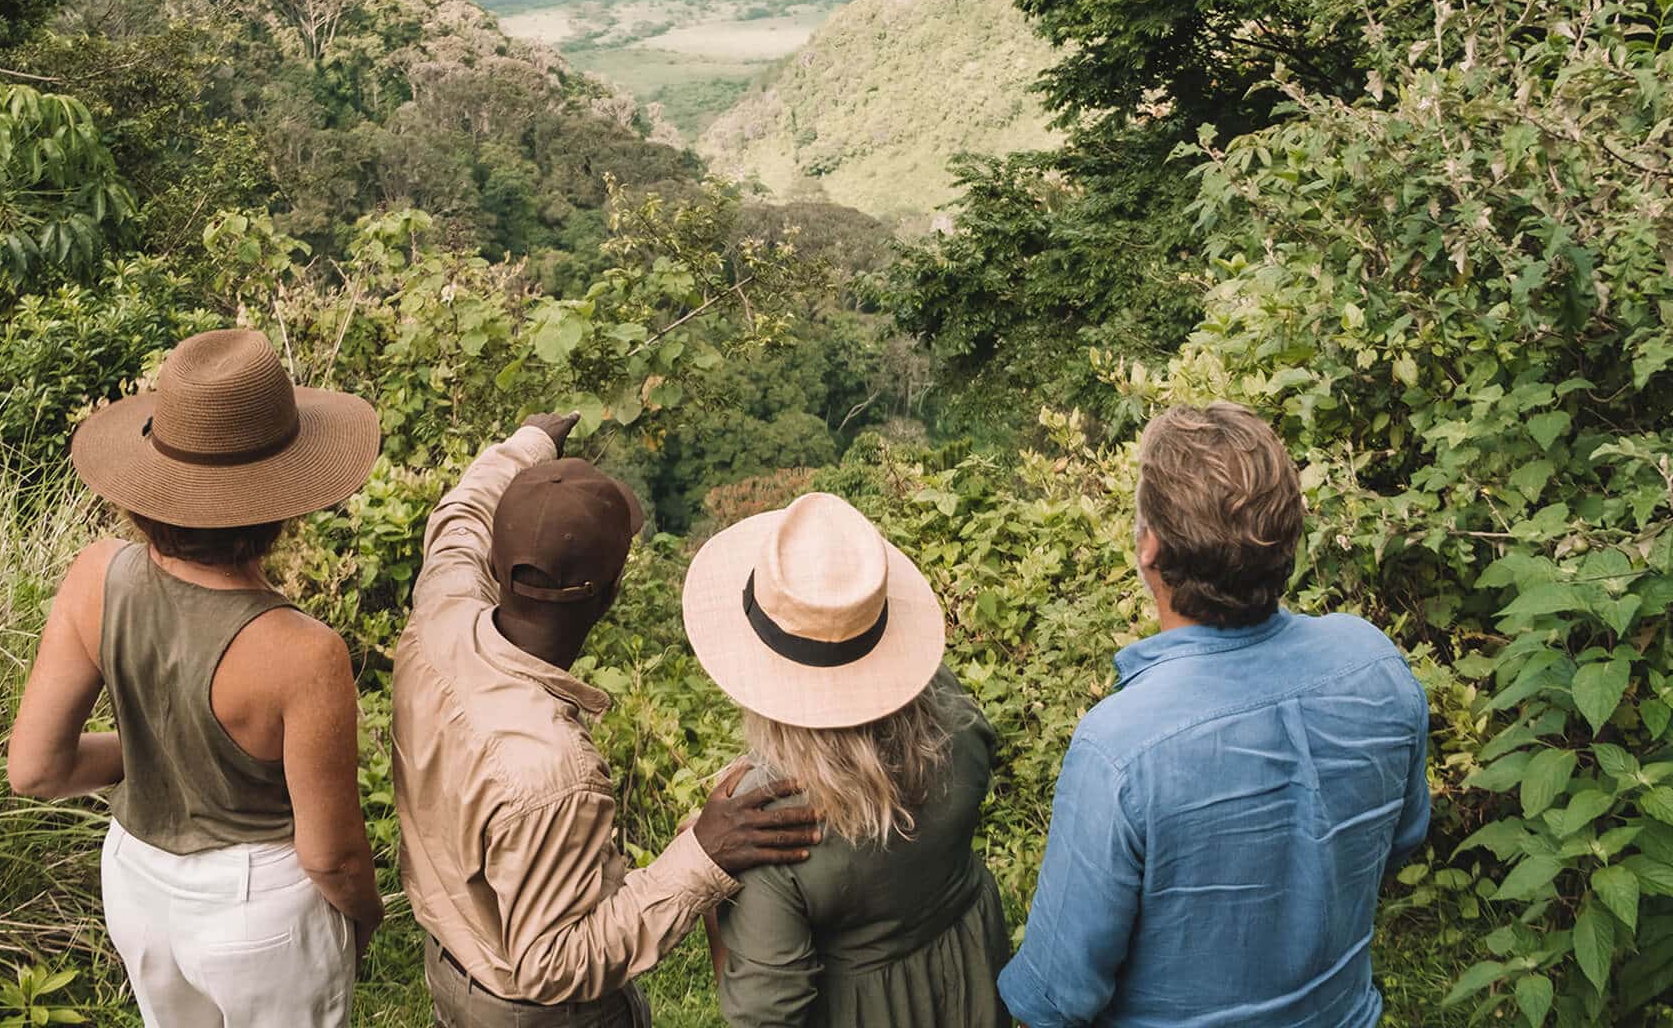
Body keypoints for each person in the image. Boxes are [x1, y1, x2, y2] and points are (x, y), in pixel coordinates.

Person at [997, 403, 1431, 1028]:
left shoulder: (1120, 747)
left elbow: (1057, 996)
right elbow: (1402, 839)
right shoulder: (1375, 664)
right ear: (1290, 537)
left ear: (1149, 547)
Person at [390, 412, 824, 1027]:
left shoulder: (442, 609)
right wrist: (701, 857)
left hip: (456, 968)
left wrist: (529, 444)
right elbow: (550, 963)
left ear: (495, 560)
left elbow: (460, 514)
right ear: (610, 591)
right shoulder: (552, 772)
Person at [8, 328, 384, 1027]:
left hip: (138, 885)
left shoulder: (95, 577)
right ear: (282, 496)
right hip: (259, 908)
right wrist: (365, 917)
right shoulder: (304, 653)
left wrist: (161, 746)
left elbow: (36, 770)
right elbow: (330, 855)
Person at [682, 490, 1013, 1028]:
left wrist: (712, 890)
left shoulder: (767, 820)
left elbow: (765, 1014)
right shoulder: (952, 710)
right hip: (968, 971)